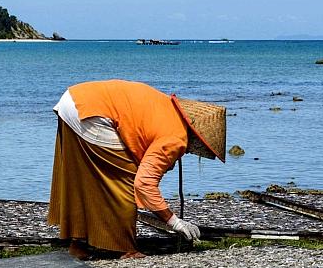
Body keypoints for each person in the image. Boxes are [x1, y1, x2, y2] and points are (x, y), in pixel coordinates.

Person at [47, 79, 226, 258]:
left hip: (73, 99)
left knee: (85, 178)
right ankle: (126, 249)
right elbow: (144, 184)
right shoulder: (176, 139)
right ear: (198, 139)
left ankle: (78, 245)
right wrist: (174, 221)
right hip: (92, 114)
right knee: (125, 180)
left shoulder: (166, 106)